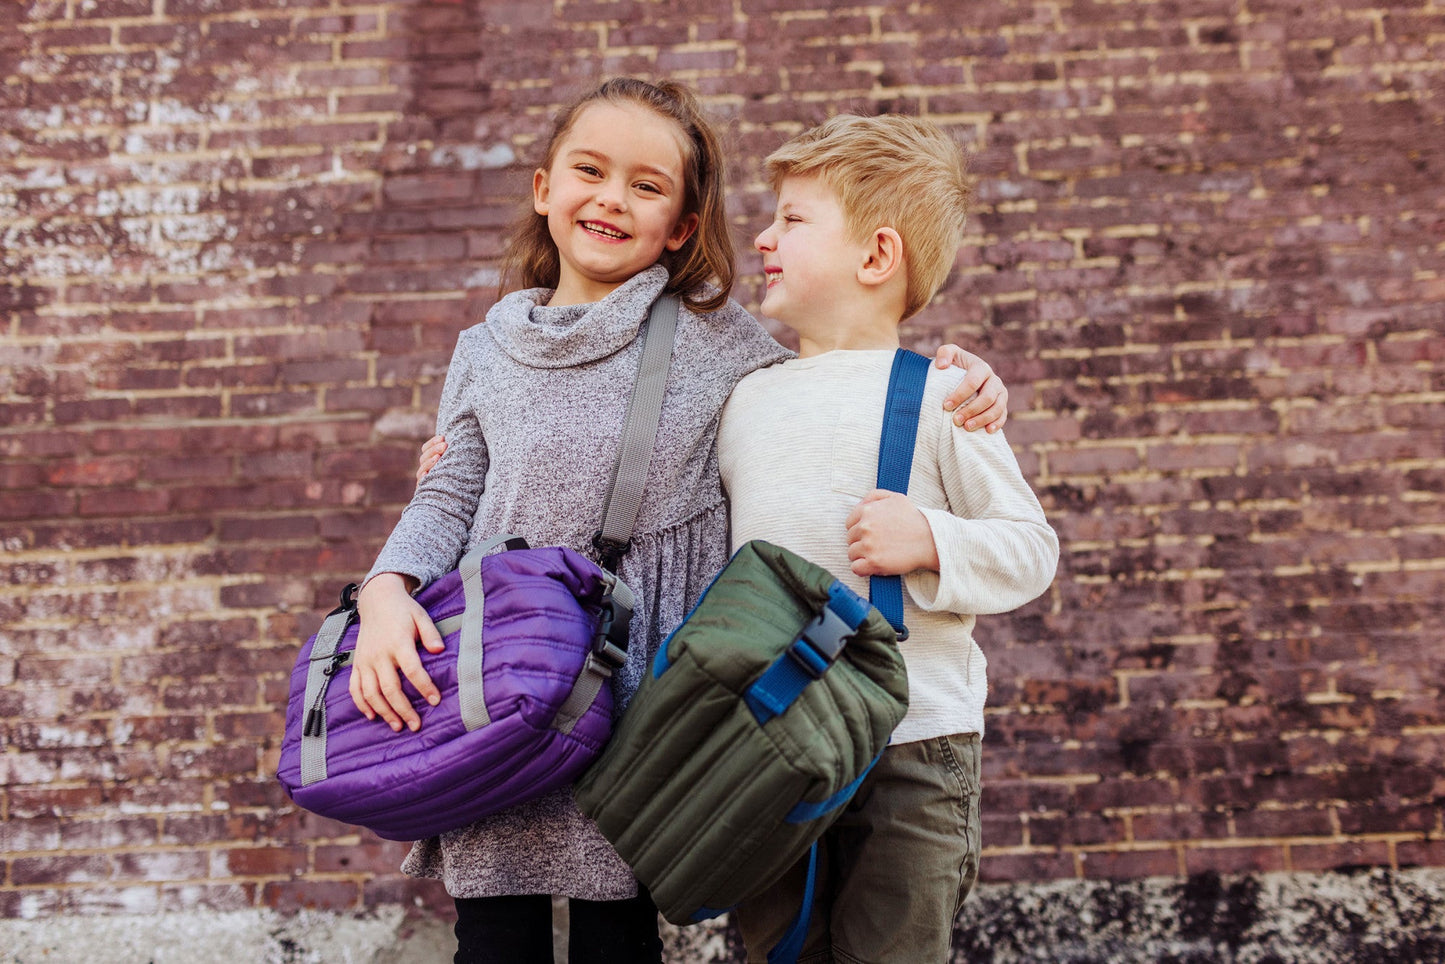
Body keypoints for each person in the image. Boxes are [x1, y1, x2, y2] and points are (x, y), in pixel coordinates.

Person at [372, 78, 1009, 964]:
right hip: (501, 675)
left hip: (628, 686)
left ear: (678, 224)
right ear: (543, 188)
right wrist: (384, 590)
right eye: (588, 170)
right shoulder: (484, 348)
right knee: (490, 931)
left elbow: (845, 367)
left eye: (646, 184)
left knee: (615, 930)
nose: (609, 197)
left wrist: (964, 378)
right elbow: (446, 495)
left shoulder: (722, 344)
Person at [717, 114, 1060, 963]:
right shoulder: (741, 399)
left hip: (912, 745)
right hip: (770, 745)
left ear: (875, 256)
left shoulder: (944, 395)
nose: (762, 235)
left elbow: (1030, 548)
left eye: (793, 220)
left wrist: (933, 540)